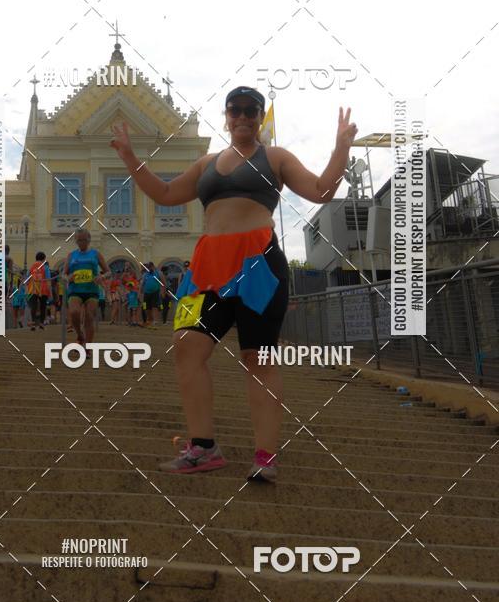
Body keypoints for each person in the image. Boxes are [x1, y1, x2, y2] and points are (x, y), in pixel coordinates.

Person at [110, 88, 357, 482]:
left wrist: (341, 148)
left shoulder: (274, 158)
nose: (243, 116)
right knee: (186, 347)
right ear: (225, 115)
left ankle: (265, 456)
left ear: (259, 118)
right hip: (206, 269)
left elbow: (320, 191)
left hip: (258, 265)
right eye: (236, 110)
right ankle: (203, 448)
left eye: (251, 111)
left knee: (257, 358)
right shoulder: (207, 163)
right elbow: (167, 193)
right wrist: (129, 157)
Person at [64, 229, 110, 352]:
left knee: (89, 317)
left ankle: (88, 347)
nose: (81, 242)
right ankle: (80, 335)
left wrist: (102, 277)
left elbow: (108, 271)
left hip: (91, 290)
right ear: (75, 241)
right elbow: (63, 274)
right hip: (75, 289)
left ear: (89, 240)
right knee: (74, 312)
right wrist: (68, 278)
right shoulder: (71, 255)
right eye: (79, 240)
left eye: (84, 240)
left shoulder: (95, 254)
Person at [26, 252, 51, 330]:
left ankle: (33, 323)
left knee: (34, 306)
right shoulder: (45, 267)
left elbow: (27, 277)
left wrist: (27, 287)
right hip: (43, 289)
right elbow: (48, 279)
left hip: (33, 288)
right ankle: (41, 323)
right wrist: (49, 290)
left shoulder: (31, 266)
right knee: (43, 306)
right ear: (43, 259)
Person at [140, 261, 164, 329]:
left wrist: (162, 292)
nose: (149, 268)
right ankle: (150, 320)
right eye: (148, 267)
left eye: (150, 267)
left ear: (153, 266)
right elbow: (142, 284)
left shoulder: (158, 273)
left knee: (155, 307)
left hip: (155, 292)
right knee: (147, 308)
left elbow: (163, 283)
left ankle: (155, 321)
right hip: (146, 293)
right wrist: (140, 294)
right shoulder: (145, 274)